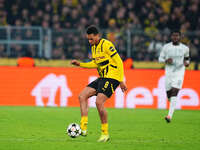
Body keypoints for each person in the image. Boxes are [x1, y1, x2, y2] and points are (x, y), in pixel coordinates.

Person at [71, 25, 127, 142]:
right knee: (82, 96)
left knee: (99, 102)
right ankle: (83, 127)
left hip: (112, 78)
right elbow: (95, 64)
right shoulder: (94, 48)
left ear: (97, 36)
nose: (90, 41)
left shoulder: (107, 45)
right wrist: (80, 64)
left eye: (91, 39)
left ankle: (105, 133)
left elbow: (119, 62)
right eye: (88, 39)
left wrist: (121, 80)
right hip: (102, 77)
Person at [158, 29, 190, 123]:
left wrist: (187, 63)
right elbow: (160, 58)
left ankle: (169, 116)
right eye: (173, 36)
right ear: (171, 37)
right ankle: (171, 101)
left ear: (180, 37)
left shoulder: (185, 48)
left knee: (175, 91)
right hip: (169, 73)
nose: (175, 37)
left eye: (177, 36)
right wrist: (166, 60)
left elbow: (187, 59)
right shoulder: (166, 47)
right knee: (169, 94)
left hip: (179, 72)